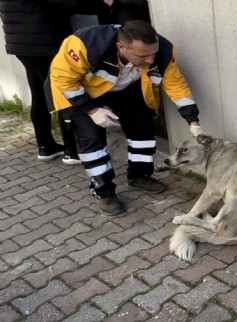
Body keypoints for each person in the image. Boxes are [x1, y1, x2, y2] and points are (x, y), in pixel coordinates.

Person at [46, 20, 205, 215]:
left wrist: (193, 122)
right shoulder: (84, 43)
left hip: (125, 89)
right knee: (92, 141)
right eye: (143, 56)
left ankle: (139, 175)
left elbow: (176, 86)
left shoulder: (163, 50)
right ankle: (103, 192)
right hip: (82, 93)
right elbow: (63, 78)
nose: (150, 60)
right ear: (121, 47)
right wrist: (92, 110)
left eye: (153, 53)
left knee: (144, 128)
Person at [0, 0, 113, 164]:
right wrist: (101, 6)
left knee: (39, 93)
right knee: (63, 93)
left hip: (22, 43)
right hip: (43, 41)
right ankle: (72, 150)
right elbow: (64, 2)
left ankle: (46, 146)